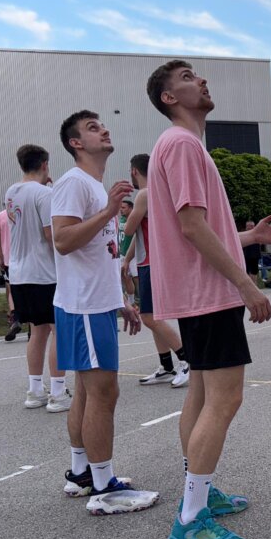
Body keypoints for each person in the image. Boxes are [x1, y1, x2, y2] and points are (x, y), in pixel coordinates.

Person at [145, 58, 271, 539]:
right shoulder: (183, 144)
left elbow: (201, 229)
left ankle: (199, 493)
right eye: (187, 78)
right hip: (208, 293)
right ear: (169, 97)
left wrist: (250, 237)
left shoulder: (178, 146)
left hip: (195, 293)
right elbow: (191, 227)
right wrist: (245, 284)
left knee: (202, 396)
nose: (201, 80)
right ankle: (190, 519)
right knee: (225, 399)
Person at [52, 109, 152, 510]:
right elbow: (62, 240)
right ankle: (104, 489)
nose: (104, 130)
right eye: (93, 128)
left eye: (103, 125)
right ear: (76, 143)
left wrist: (121, 301)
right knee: (104, 392)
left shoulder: (92, 185)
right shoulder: (74, 183)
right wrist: (109, 211)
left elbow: (101, 254)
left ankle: (82, 473)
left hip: (95, 303)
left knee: (86, 391)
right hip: (84, 306)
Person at [5, 144, 71, 413]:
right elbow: (50, 234)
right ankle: (58, 391)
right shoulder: (45, 194)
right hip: (44, 272)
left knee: (38, 330)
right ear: (45, 164)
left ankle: (34, 390)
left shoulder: (11, 192)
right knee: (59, 330)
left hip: (19, 272)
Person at [122, 152, 190, 388]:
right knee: (154, 316)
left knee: (149, 317)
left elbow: (128, 229)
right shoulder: (160, 191)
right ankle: (166, 366)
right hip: (149, 260)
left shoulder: (144, 194)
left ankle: (186, 359)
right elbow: (140, 234)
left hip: (152, 262)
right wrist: (126, 260)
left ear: (134, 171)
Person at [0, 208, 21, 341]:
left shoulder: (1, 215)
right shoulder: (27, 210)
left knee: (12, 287)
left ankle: (15, 316)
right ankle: (32, 325)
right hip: (27, 258)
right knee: (30, 288)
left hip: (10, 259)